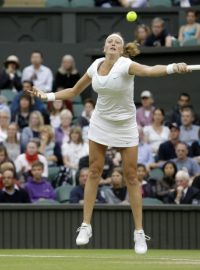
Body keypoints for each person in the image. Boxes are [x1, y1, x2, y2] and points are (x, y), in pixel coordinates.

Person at [26, 32, 190, 254]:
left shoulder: (126, 65)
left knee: (131, 175)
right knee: (94, 171)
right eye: (110, 42)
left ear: (122, 50)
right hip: (100, 122)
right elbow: (74, 91)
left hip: (125, 126)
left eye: (118, 43)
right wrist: (46, 96)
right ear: (105, 48)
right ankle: (86, 225)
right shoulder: (95, 65)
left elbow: (151, 71)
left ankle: (139, 232)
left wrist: (172, 67)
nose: (113, 44)